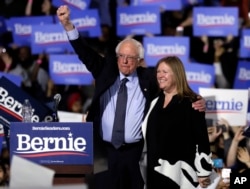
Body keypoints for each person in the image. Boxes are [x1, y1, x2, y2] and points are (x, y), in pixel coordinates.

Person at [56, 5, 206, 189]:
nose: (125, 61)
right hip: (104, 151)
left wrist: (197, 99)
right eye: (121, 56)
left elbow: (174, 84)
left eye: (130, 57)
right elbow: (84, 52)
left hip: (136, 153)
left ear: (139, 60)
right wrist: (68, 25)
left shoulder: (149, 79)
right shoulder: (105, 70)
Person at [139, 56, 213, 189]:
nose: (160, 75)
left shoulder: (192, 102)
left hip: (179, 174)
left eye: (165, 72)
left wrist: (203, 172)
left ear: (177, 74)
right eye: (158, 71)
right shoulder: (155, 101)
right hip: (153, 170)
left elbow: (202, 139)